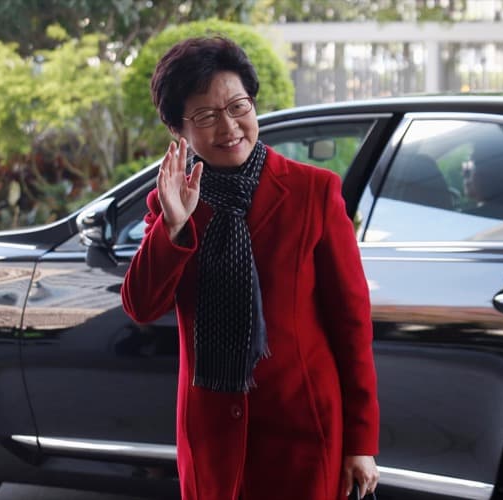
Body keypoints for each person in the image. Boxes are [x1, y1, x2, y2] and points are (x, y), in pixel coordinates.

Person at [120, 36, 379, 500]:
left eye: (238, 107)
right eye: (206, 116)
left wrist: (361, 443)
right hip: (211, 435)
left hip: (303, 430)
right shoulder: (173, 201)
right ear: (180, 130)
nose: (229, 127)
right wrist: (173, 227)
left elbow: (351, 326)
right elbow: (141, 306)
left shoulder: (313, 192)